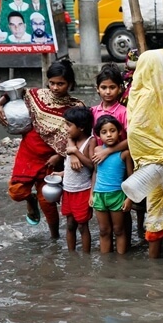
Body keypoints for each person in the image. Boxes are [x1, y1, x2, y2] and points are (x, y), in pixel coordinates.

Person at [0, 59, 84, 238]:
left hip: (52, 158)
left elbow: (79, 136)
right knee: (17, 191)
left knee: (48, 202)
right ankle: (30, 200)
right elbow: (14, 94)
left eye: (61, 83)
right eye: (52, 83)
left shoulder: (76, 107)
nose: (55, 87)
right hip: (29, 152)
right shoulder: (36, 95)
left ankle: (54, 237)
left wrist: (60, 156)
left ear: (70, 84)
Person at [127, 49, 163, 258]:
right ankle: (154, 266)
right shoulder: (150, 96)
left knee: (154, 211)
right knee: (155, 214)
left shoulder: (140, 89)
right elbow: (136, 133)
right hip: (156, 162)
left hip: (152, 161)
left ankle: (154, 260)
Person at [90, 115, 133, 254]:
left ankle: (121, 263)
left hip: (117, 196)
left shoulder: (124, 153)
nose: (109, 135)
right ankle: (106, 263)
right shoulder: (97, 151)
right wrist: (91, 193)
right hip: (99, 195)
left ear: (120, 132)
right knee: (103, 231)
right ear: (98, 135)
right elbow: (95, 173)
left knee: (119, 230)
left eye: (112, 130)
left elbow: (131, 177)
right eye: (104, 132)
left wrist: (129, 198)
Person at [57, 106, 95, 252]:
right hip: (68, 189)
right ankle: (71, 255)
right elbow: (69, 163)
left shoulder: (90, 142)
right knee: (70, 224)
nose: (66, 128)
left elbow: (92, 165)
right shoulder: (71, 139)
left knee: (82, 226)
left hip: (82, 190)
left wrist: (76, 153)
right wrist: (62, 173)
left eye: (69, 125)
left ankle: (86, 257)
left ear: (81, 127)